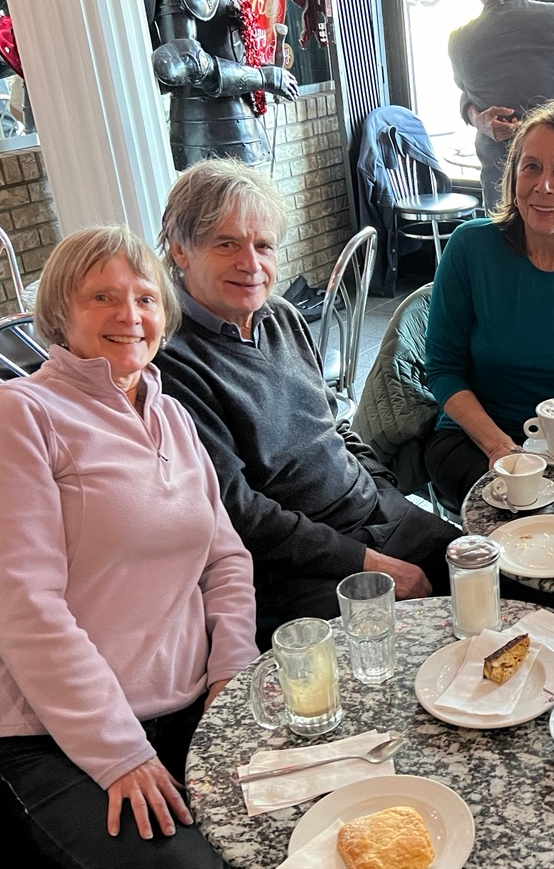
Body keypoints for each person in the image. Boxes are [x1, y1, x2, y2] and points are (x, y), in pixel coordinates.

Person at [0, 226, 256, 869]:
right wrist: (120, 751)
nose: (129, 315)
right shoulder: (23, 414)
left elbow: (225, 558)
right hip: (56, 738)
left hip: (187, 711)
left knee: (296, 849)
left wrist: (230, 671)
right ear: (60, 312)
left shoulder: (172, 415)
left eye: (145, 297)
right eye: (102, 297)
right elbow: (27, 605)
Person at [153, 159, 461, 649]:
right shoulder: (173, 363)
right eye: (226, 243)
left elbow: (334, 425)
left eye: (263, 245)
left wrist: (383, 489)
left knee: (502, 579)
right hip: (299, 566)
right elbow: (240, 513)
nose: (251, 264)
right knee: (416, 653)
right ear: (180, 250)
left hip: (377, 514)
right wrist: (368, 564)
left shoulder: (281, 317)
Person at [421, 100, 554, 513]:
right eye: (531, 167)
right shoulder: (470, 247)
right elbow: (443, 370)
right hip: (472, 440)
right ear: (513, 175)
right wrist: (502, 446)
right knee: (522, 515)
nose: (544, 186)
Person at [449, 0, 554, 209]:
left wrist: (477, 119)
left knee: (506, 240)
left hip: (503, 185)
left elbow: (468, 96)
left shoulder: (460, 40)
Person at [149, 0, 300, 168]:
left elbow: (231, 53)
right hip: (206, 134)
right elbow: (186, 61)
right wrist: (262, 77)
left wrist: (268, 73)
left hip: (243, 126)